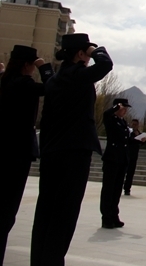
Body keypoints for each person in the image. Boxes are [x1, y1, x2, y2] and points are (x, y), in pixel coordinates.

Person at [31, 33, 113, 266]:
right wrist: (95, 50)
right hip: (73, 152)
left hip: (52, 151)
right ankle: (52, 260)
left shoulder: (55, 80)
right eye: (86, 52)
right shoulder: (77, 75)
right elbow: (105, 64)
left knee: (46, 209)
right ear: (80, 53)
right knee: (65, 212)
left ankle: (40, 260)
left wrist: (45, 67)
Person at [0, 46, 53, 264]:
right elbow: (51, 87)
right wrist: (45, 67)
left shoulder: (4, 81)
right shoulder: (24, 84)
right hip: (17, 151)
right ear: (27, 65)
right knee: (7, 209)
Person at [100, 98, 132, 228]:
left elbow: (126, 139)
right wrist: (115, 107)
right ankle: (106, 217)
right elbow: (106, 114)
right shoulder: (111, 119)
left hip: (121, 159)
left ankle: (114, 215)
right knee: (109, 189)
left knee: (117, 189)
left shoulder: (123, 122)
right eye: (123, 108)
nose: (125, 111)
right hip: (112, 159)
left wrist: (140, 139)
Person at [123, 118, 146, 196]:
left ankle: (127, 189)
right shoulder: (129, 132)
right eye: (133, 124)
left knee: (130, 173)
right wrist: (137, 139)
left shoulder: (139, 133)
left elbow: (142, 143)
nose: (134, 126)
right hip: (126, 154)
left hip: (134, 156)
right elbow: (130, 140)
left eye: (135, 125)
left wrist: (144, 140)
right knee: (123, 172)